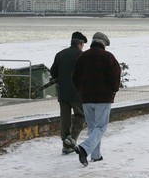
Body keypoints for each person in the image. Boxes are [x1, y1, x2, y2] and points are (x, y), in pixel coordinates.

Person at [71, 32, 121, 167]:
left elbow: (74, 78)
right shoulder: (108, 57)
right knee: (101, 127)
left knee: (93, 127)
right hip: (103, 98)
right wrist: (112, 91)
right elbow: (115, 78)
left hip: (86, 98)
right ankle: (85, 148)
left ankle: (96, 156)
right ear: (104, 44)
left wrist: (81, 91)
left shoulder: (83, 57)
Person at [50, 31, 88, 155]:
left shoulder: (60, 54)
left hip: (63, 92)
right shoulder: (81, 56)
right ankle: (71, 138)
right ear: (80, 43)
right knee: (81, 115)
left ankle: (66, 145)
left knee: (65, 119)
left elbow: (53, 71)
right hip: (77, 92)